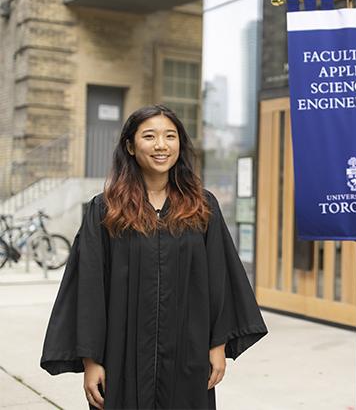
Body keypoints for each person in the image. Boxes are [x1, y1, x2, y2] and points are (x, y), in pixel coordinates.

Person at [41, 105, 268, 409]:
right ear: (131, 146)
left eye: (170, 136)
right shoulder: (106, 210)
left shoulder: (201, 207)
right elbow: (89, 288)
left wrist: (217, 345)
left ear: (180, 145)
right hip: (122, 355)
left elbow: (220, 278)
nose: (161, 145)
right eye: (150, 136)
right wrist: (91, 360)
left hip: (188, 353)